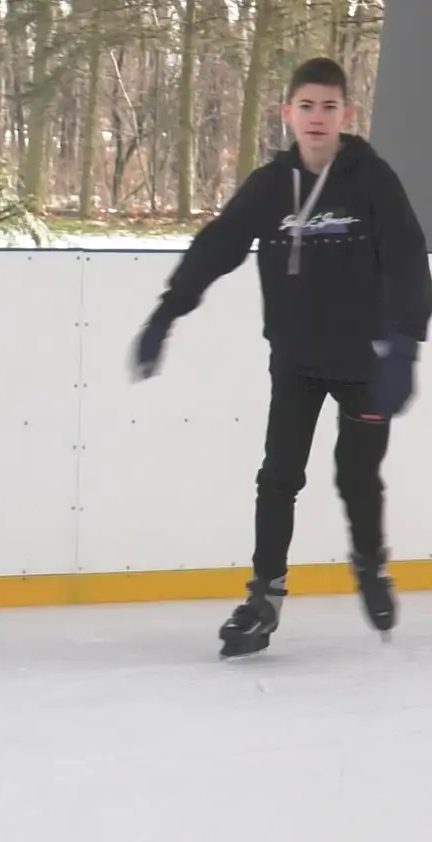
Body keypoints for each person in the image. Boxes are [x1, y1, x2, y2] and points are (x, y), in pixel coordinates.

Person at [130, 57, 432, 659]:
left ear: (347, 114)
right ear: (287, 113)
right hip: (294, 358)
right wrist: (169, 309)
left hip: (365, 362)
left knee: (355, 479)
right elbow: (219, 244)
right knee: (278, 478)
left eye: (328, 107)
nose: (317, 118)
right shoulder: (272, 185)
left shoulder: (371, 180)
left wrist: (404, 343)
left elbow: (407, 258)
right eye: (306, 106)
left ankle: (370, 564)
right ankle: (263, 598)